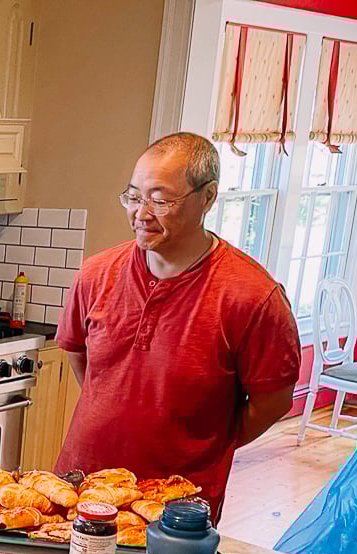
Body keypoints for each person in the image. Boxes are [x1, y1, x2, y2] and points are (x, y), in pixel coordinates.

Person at [55, 132, 300, 523]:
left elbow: (273, 402)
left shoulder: (253, 297)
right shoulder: (95, 274)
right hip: (79, 487)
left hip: (177, 506)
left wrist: (205, 443)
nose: (142, 213)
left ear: (208, 197)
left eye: (161, 199)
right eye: (134, 197)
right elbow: (79, 356)